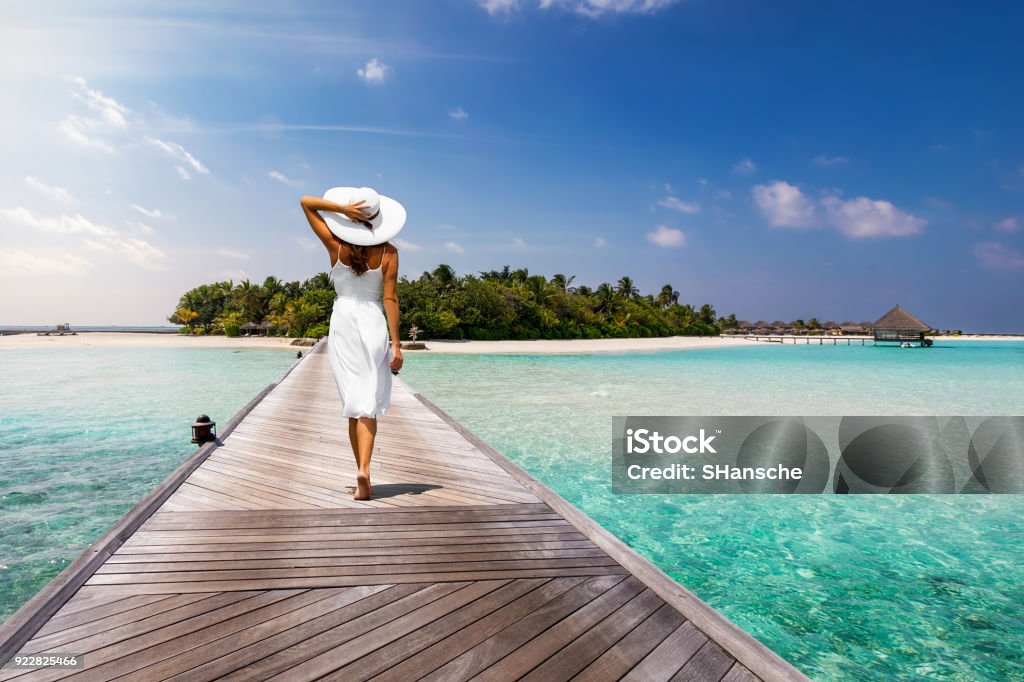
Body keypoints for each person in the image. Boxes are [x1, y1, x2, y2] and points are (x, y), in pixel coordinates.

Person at [300, 187, 406, 500]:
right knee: (368, 404)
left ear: (353, 217)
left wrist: (342, 210)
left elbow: (306, 203)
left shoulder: (335, 245)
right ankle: (366, 468)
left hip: (343, 321)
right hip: (373, 320)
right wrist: (397, 345)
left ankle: (359, 469)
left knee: (352, 402)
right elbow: (391, 299)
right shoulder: (389, 253)